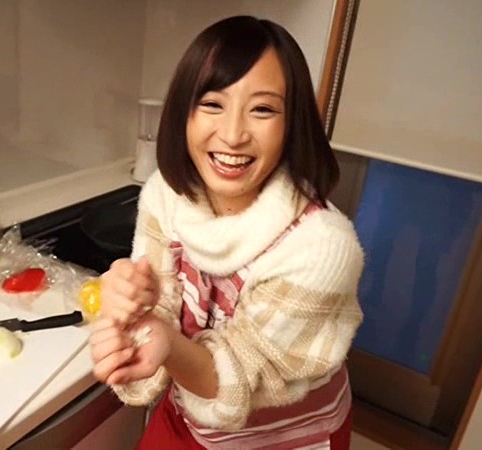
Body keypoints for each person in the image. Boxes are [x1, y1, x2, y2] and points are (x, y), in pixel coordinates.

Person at [89, 15, 364, 450]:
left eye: (262, 109)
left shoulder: (321, 246)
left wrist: (168, 345)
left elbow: (246, 378)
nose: (233, 135)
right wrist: (132, 306)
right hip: (190, 408)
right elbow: (161, 310)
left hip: (281, 436)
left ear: (291, 124)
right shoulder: (166, 195)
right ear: (184, 113)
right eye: (213, 104)